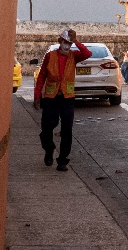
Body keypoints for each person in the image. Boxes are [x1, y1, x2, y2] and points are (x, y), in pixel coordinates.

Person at [34, 29, 91, 171]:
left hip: (67, 98)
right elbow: (42, 76)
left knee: (67, 130)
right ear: (60, 42)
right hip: (51, 98)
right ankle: (49, 149)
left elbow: (87, 54)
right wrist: (36, 96)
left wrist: (76, 41)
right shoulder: (50, 56)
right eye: (65, 42)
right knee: (46, 129)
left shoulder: (74, 56)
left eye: (69, 43)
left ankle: (62, 160)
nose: (67, 46)